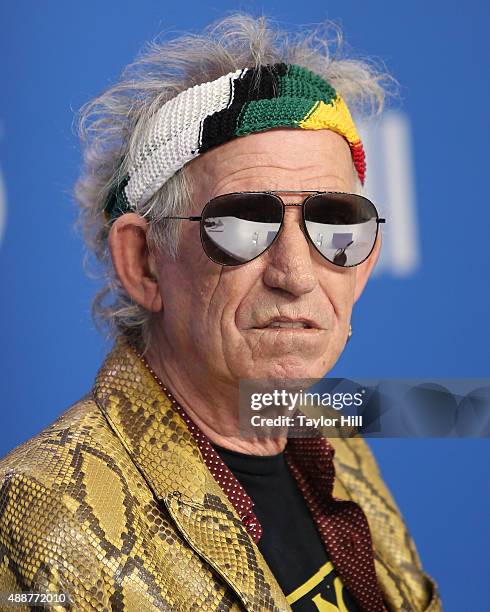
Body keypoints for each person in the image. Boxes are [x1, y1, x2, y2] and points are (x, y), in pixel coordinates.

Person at [0, 14, 441, 612]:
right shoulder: (37, 510)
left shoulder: (336, 443)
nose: (297, 273)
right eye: (243, 224)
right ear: (144, 264)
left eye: (335, 226)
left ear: (364, 264)